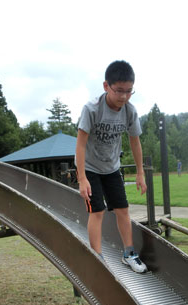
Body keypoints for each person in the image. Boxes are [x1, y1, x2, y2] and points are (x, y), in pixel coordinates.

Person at [75, 60, 147, 273]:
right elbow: (80, 144)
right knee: (97, 211)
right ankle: (97, 259)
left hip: (111, 168)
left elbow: (135, 141)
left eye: (129, 91)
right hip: (89, 168)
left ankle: (129, 253)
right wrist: (81, 178)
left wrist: (140, 172)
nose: (124, 96)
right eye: (119, 91)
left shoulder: (129, 111)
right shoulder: (92, 109)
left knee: (123, 210)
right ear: (106, 86)